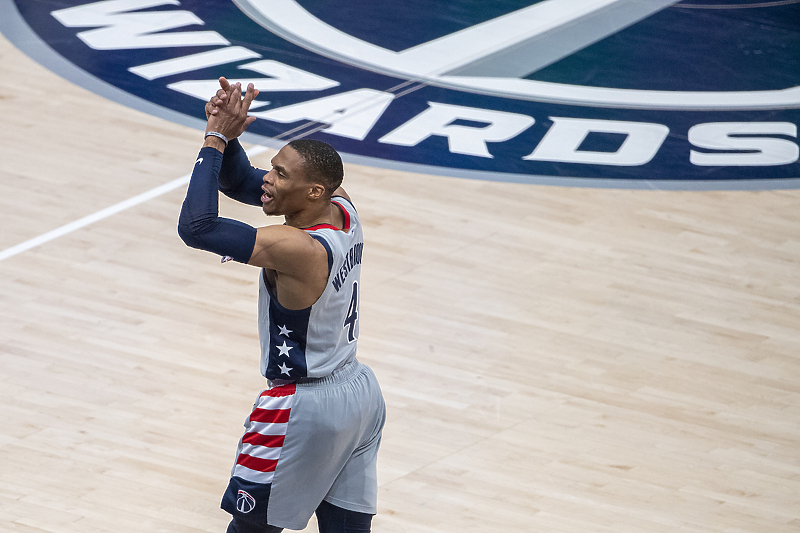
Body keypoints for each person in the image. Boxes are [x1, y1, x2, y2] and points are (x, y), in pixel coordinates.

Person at [178, 77, 385, 533]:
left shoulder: (298, 249)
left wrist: (213, 139)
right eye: (272, 167)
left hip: (304, 404)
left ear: (313, 191)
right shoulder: (341, 206)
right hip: (359, 391)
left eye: (281, 174)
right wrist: (231, 136)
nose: (267, 179)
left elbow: (197, 227)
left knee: (250, 529)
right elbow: (242, 182)